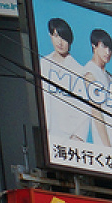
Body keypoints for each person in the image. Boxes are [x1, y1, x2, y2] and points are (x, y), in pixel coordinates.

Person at [41, 18, 88, 146]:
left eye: (64, 38)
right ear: (50, 36)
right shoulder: (42, 65)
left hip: (69, 138)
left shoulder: (79, 70)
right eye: (56, 36)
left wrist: (77, 137)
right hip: (46, 133)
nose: (60, 42)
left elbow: (84, 108)